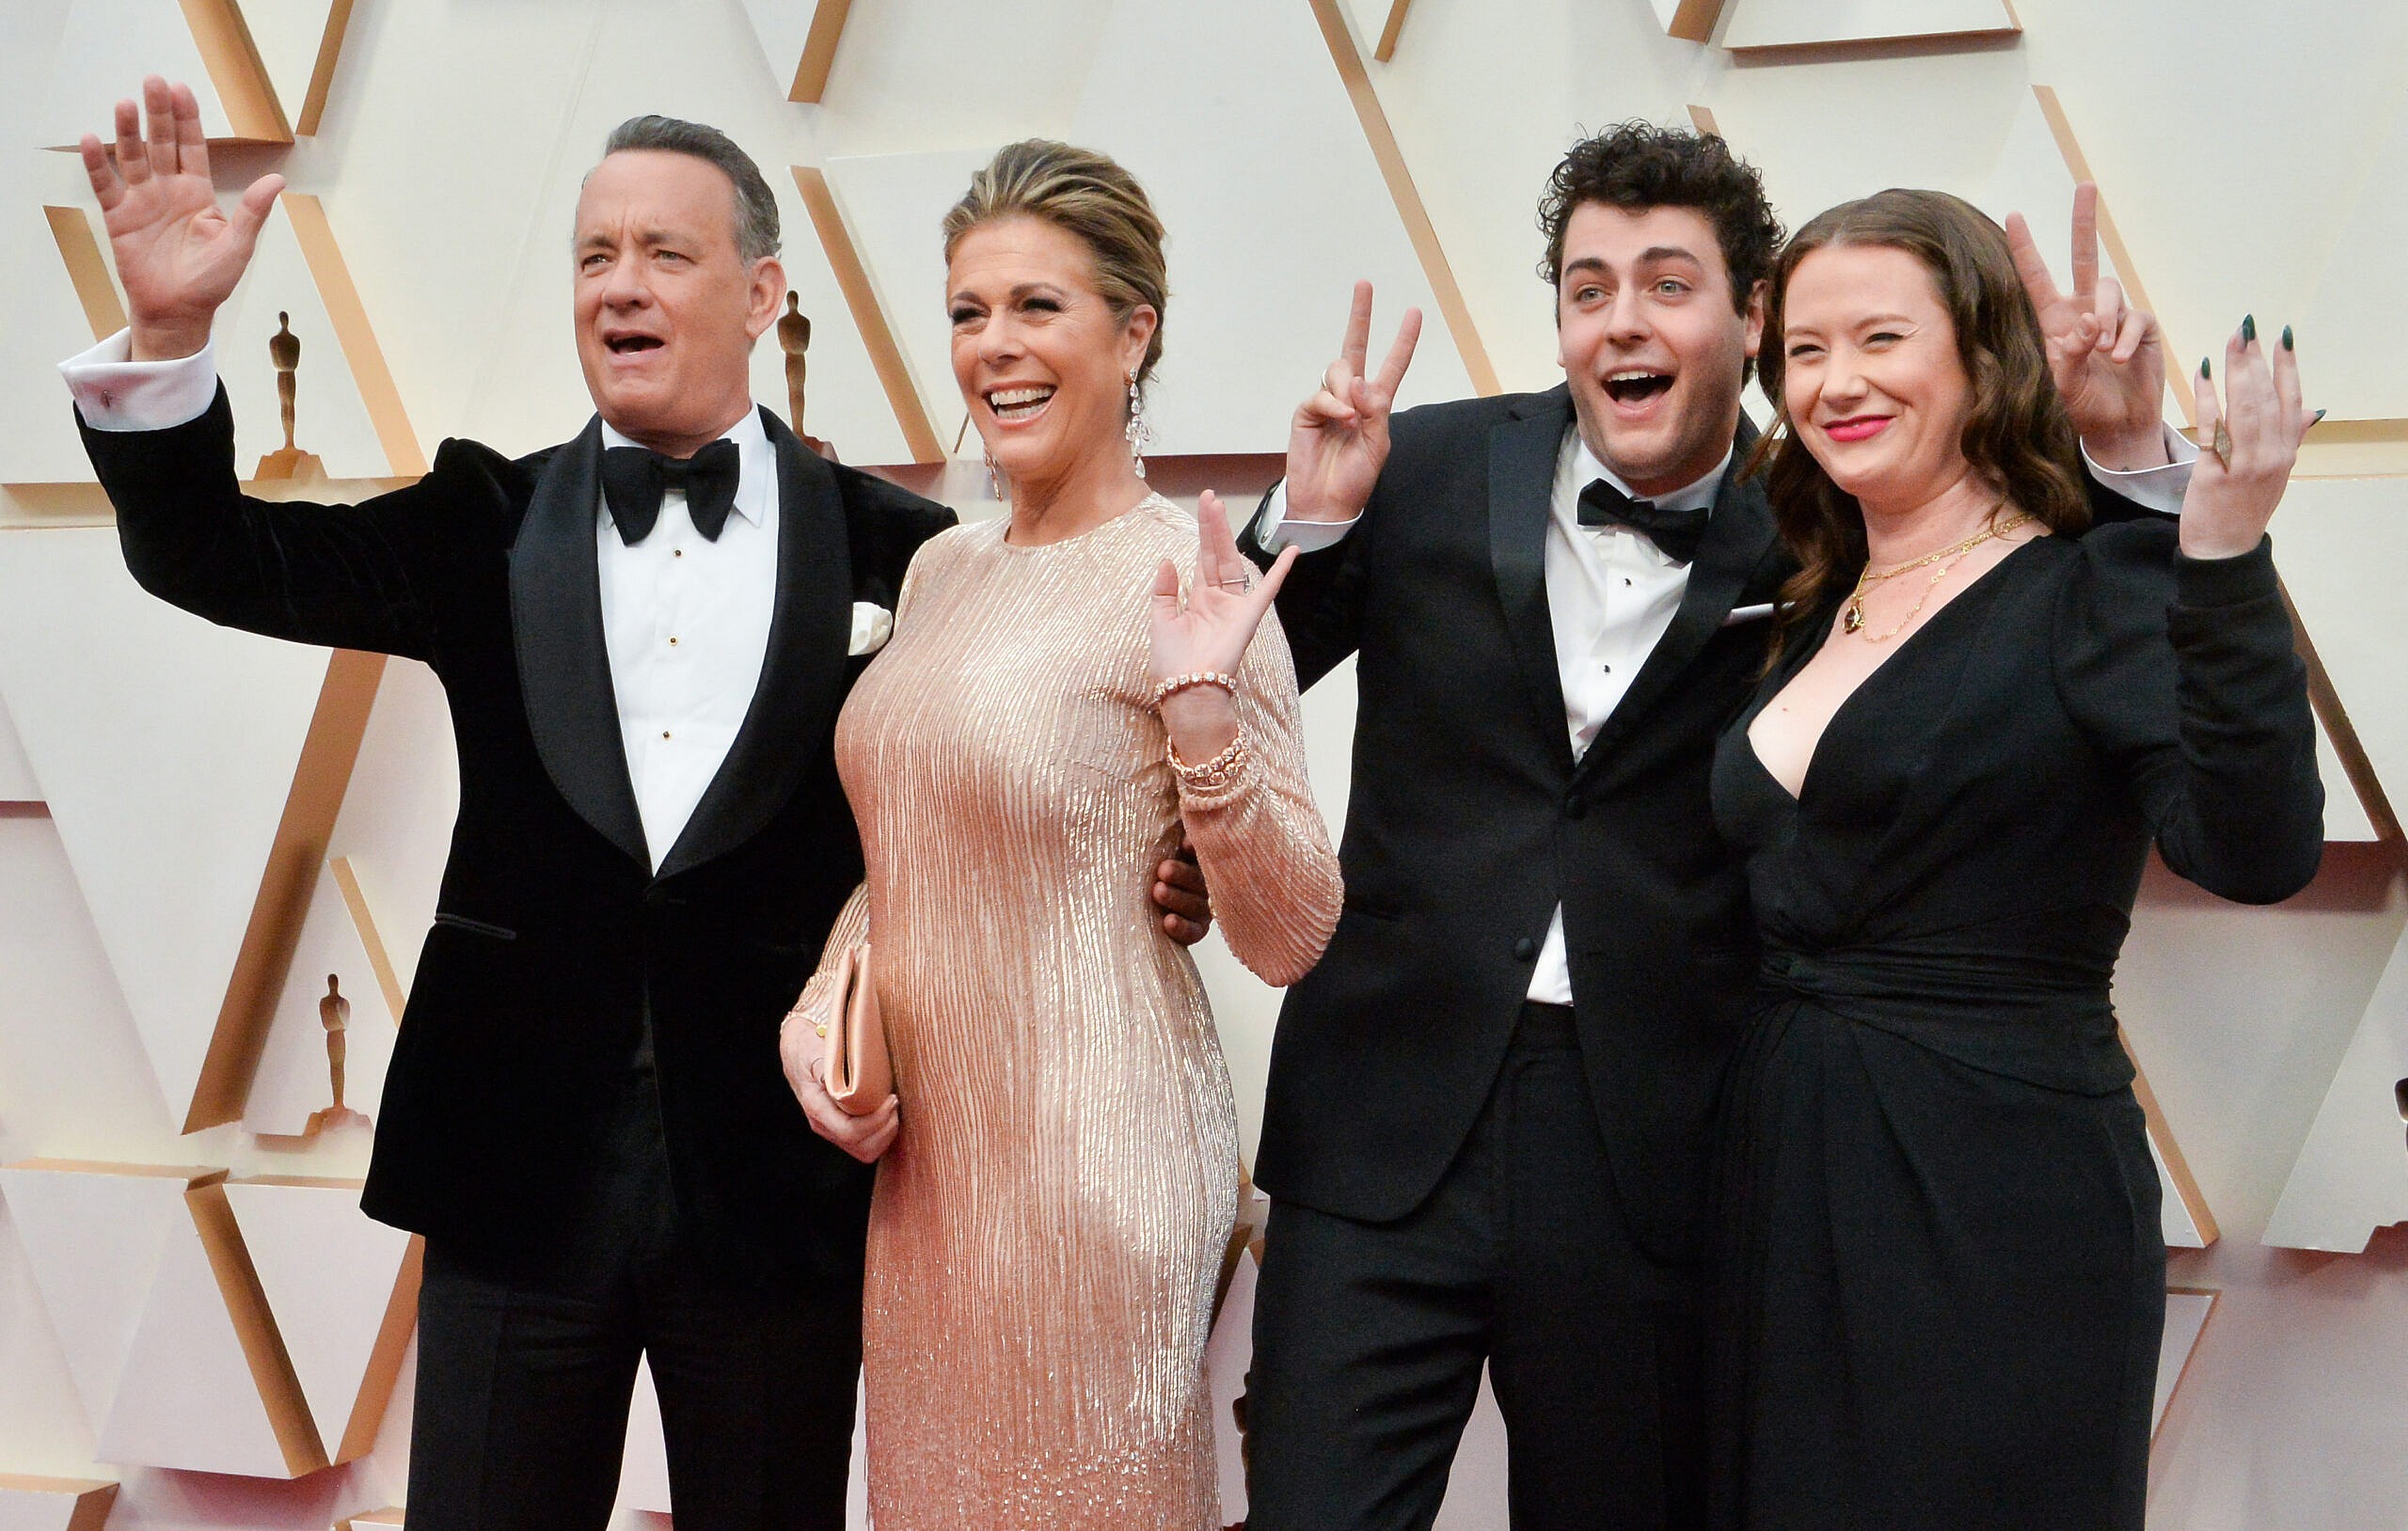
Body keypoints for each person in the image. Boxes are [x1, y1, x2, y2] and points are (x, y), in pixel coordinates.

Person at [61, 83, 1208, 1530]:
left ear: (762, 294)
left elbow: (1064, 741)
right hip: (510, 1166)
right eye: (595, 255)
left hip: (780, 1181)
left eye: (666, 252)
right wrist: (169, 338)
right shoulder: (483, 521)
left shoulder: (911, 558)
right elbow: (212, 557)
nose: (620, 285)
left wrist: (1179, 856)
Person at [1236, 123, 2197, 1530]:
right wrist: (1304, 527)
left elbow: (2009, 640)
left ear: (1752, 320)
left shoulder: (1829, 528)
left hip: (1657, 1142)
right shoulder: (1416, 462)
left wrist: (2139, 462)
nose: (1622, 320)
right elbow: (1239, 681)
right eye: (1588, 288)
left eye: (1668, 284)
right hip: (1382, 1115)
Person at [1708, 188, 2321, 1530]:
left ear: (1986, 359)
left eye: (1881, 338)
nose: (1836, 382)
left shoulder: (2090, 583)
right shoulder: (1806, 603)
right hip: (1784, 1171)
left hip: (1999, 1188)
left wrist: (2217, 547)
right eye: (1805, 350)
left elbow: (2257, 848)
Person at [782, 139, 1342, 1529]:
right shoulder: (941, 565)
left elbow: (1291, 931)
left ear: (1133, 332)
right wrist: (820, 1012)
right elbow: (914, 848)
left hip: (1101, 1172)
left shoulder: (1190, 579)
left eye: (1040, 305)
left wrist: (1203, 719)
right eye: (969, 312)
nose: (996, 347)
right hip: (926, 1184)